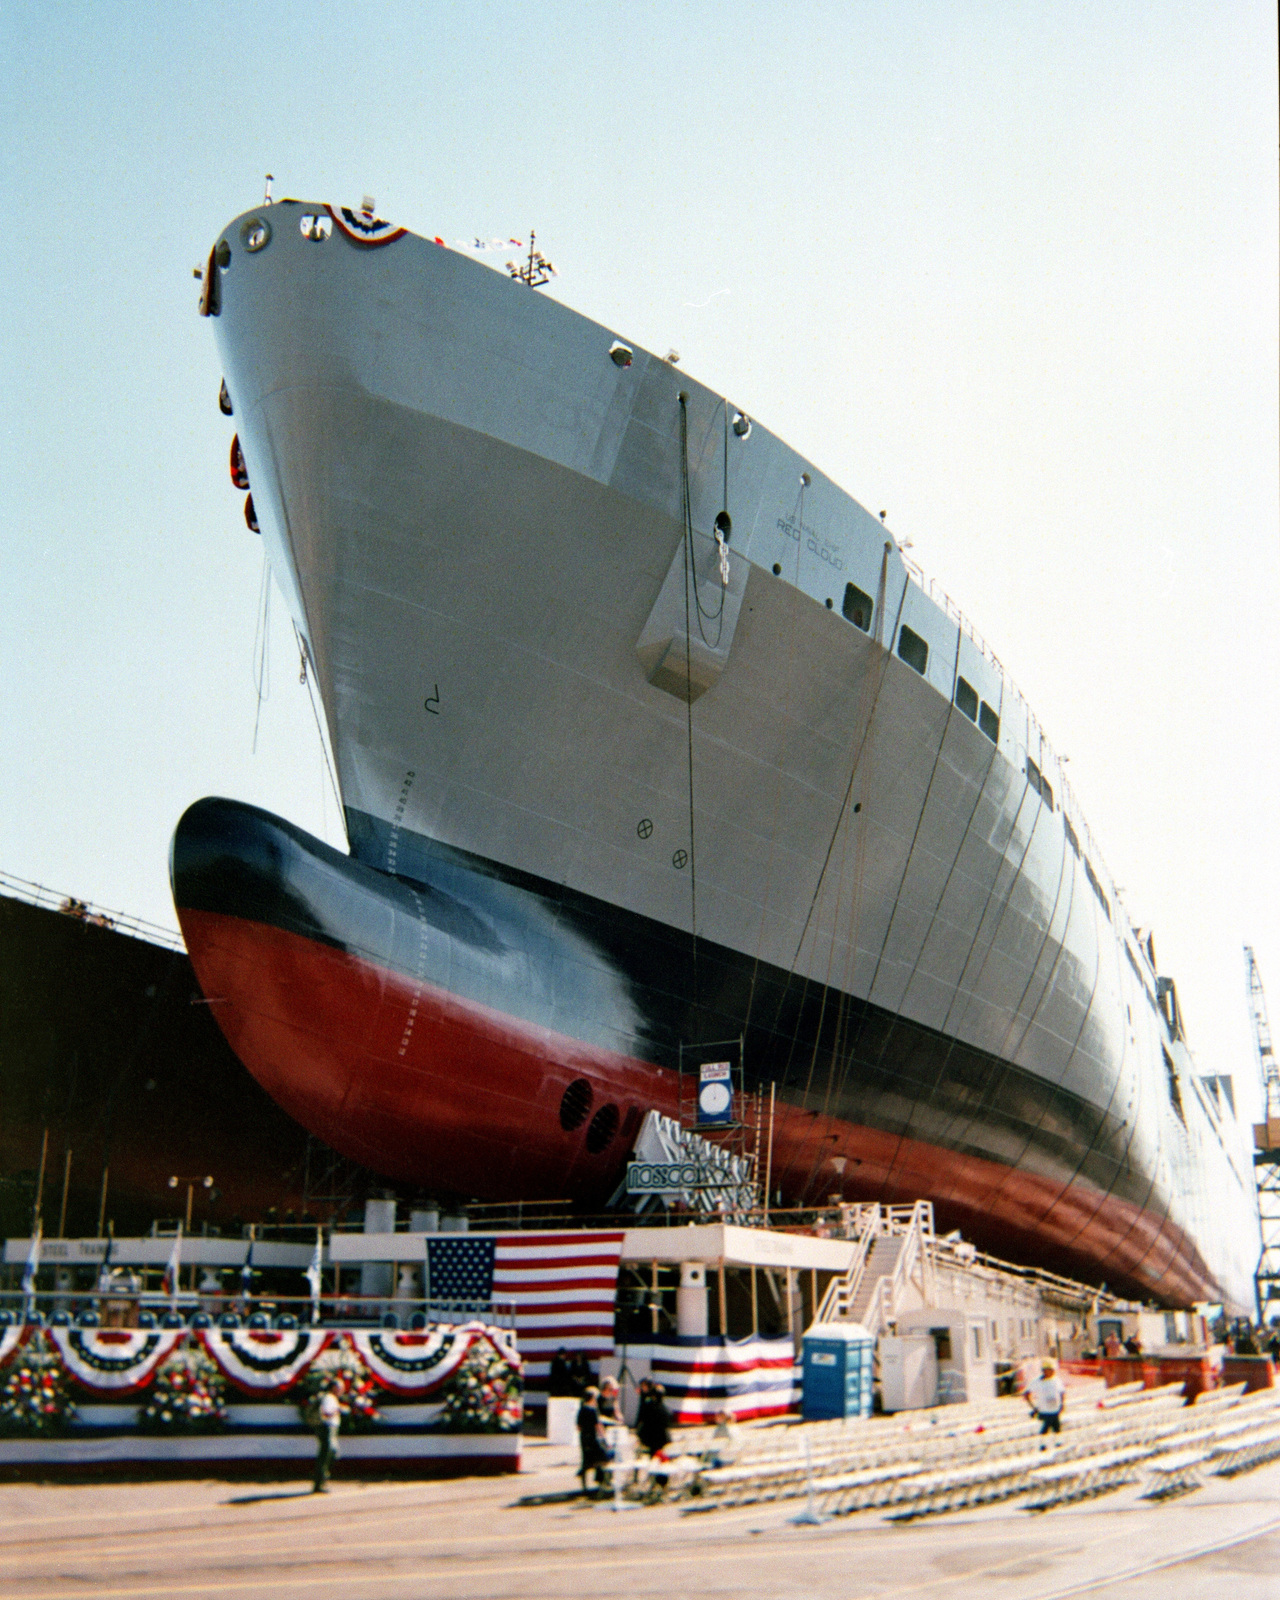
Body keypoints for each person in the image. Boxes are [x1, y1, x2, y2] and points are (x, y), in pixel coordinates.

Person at [576, 1385, 609, 1494]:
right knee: (603, 1458)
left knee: (586, 1460)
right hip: (593, 1438)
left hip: (584, 1438)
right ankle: (601, 1481)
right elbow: (598, 1426)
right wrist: (605, 1438)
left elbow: (578, 1427)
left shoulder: (581, 1409)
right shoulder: (593, 1410)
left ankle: (584, 1485)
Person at [312, 1388, 341, 1492]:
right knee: (327, 1455)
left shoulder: (331, 1398)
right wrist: (338, 1410)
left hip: (330, 1428)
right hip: (328, 1428)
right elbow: (327, 1413)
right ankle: (320, 1483)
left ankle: (322, 1481)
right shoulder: (329, 1398)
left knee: (330, 1454)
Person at [1026, 1361, 1065, 1436]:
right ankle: (1043, 1445)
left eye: (1053, 1370)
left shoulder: (1056, 1380)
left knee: (1056, 1429)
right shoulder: (1037, 1382)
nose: (1053, 1372)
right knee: (1046, 1429)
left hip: (1055, 1409)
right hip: (1044, 1410)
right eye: (1050, 1370)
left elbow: (1062, 1392)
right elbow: (1027, 1394)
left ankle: (1057, 1444)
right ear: (1044, 1371)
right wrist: (1033, 1407)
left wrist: (1062, 1404)